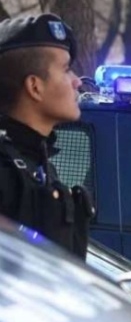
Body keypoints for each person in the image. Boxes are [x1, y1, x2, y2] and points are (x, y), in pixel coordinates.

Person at [0, 13, 94, 259]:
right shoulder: (6, 170)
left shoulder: (37, 165)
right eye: (66, 69)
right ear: (34, 87)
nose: (76, 82)